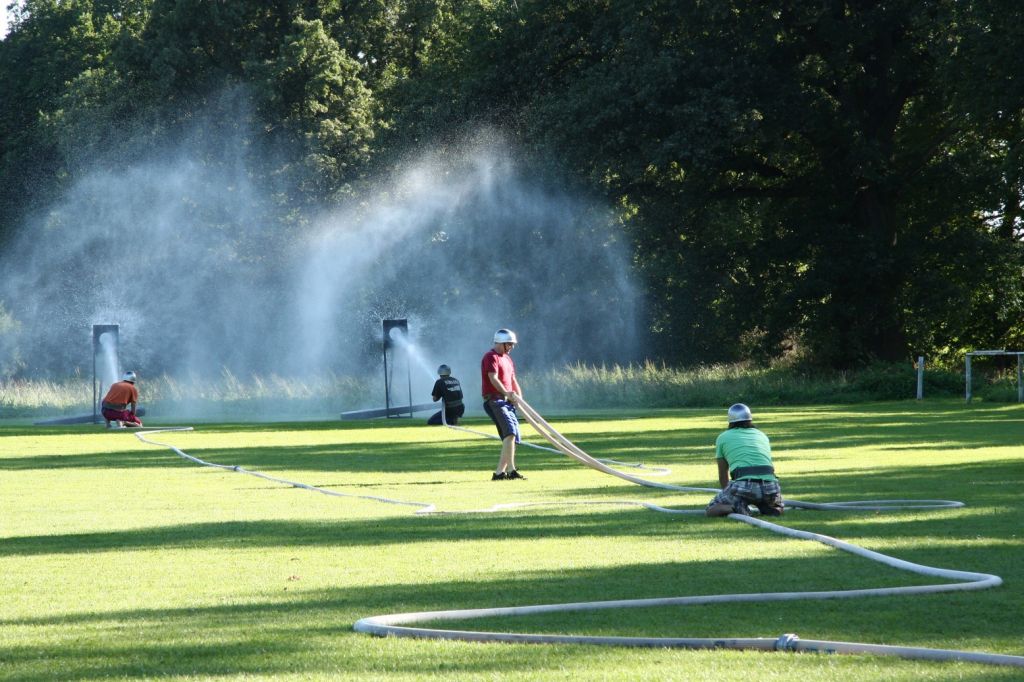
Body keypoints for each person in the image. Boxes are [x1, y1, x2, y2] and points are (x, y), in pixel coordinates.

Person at [705, 403, 783, 517]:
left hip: (744, 485)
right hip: (771, 486)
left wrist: (727, 495)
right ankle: (772, 507)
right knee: (773, 503)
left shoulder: (723, 437)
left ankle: (736, 507)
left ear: (730, 420)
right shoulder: (762, 435)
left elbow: (723, 474)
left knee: (711, 509)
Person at [481, 328, 525, 480]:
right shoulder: (490, 357)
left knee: (513, 436)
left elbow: (513, 380)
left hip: (507, 401)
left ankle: (504, 472)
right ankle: (506, 471)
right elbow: (493, 378)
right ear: (501, 343)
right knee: (510, 433)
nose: (512, 347)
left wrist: (519, 399)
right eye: (509, 344)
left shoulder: (508, 359)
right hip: (495, 401)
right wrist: (507, 393)